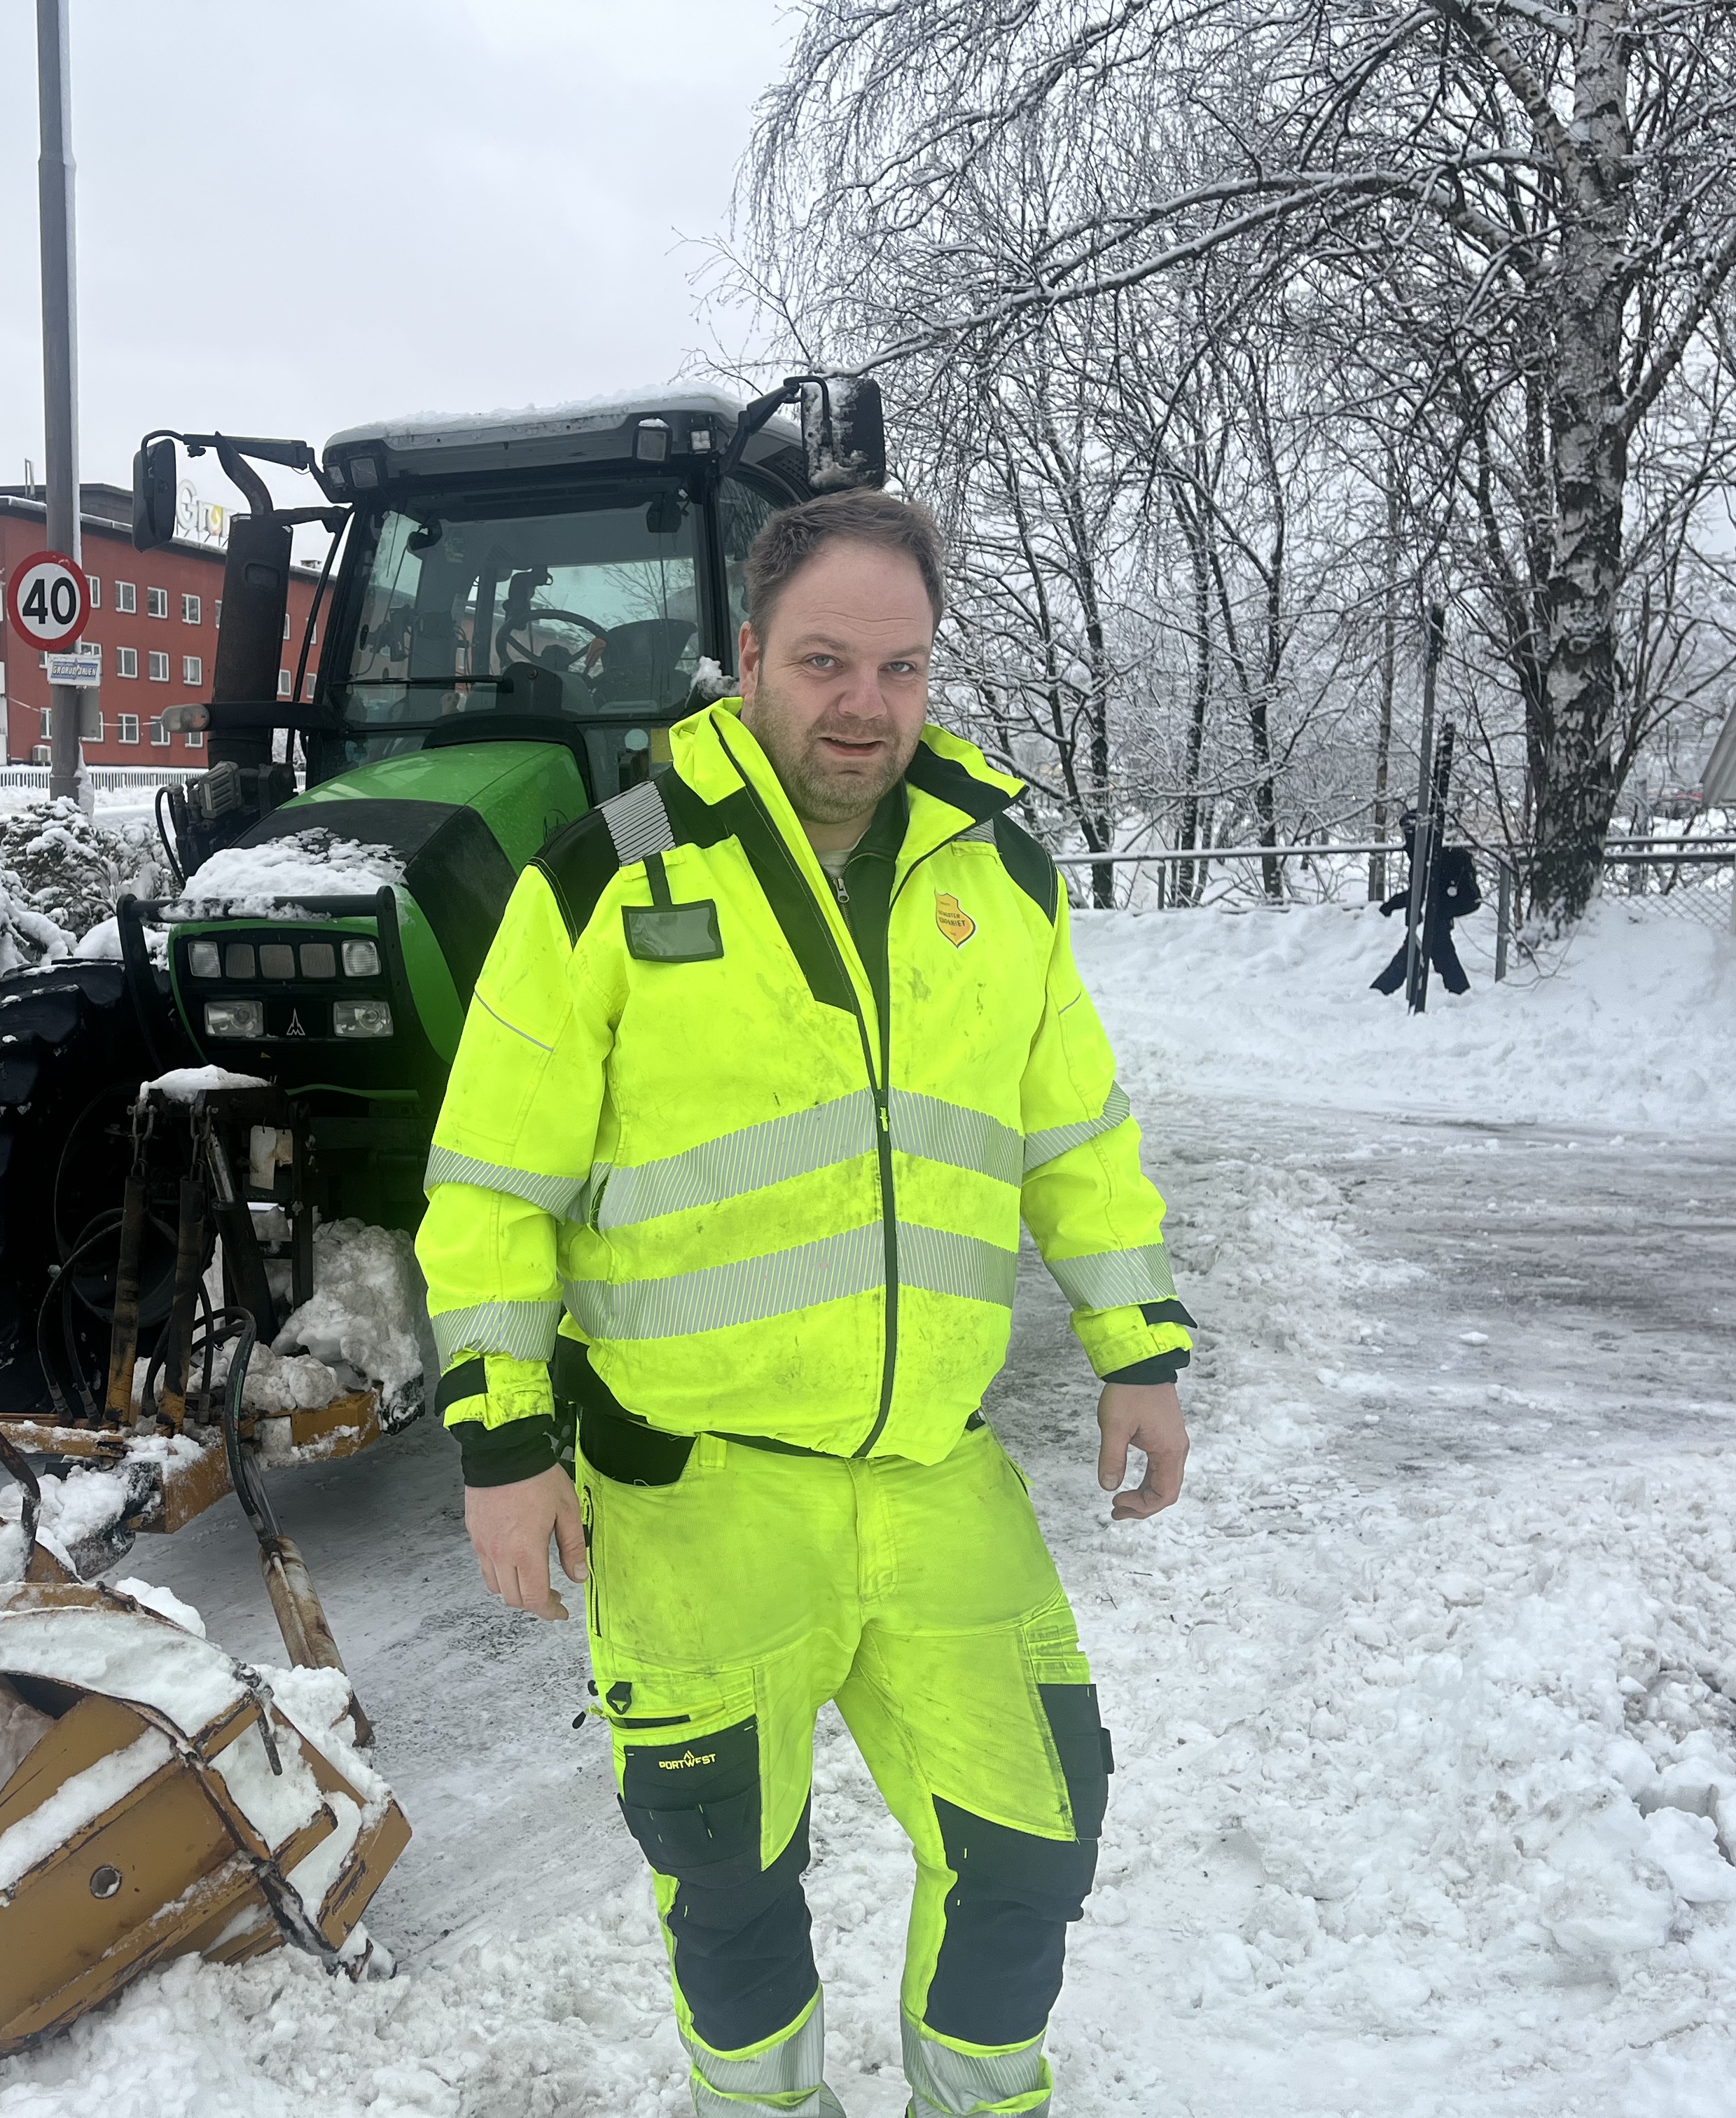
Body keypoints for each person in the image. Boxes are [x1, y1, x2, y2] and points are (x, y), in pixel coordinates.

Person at [415, 487, 1196, 2118]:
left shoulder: (1003, 880)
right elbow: (494, 1190)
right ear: (751, 657)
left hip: (931, 1468)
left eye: (902, 668)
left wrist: (1138, 1350)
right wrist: (502, 1446)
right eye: (828, 660)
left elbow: (1075, 1139)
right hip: (695, 1492)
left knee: (1039, 1838)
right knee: (730, 1882)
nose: (866, 705)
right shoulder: (608, 881)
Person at [1371, 831, 1482, 996]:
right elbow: (1419, 892)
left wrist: (1392, 905)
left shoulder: (1427, 859)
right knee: (1443, 960)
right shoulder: (1430, 856)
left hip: (1430, 920)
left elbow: (1421, 892)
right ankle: (1462, 995)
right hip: (1435, 918)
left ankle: (1377, 994)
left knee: (1409, 960)